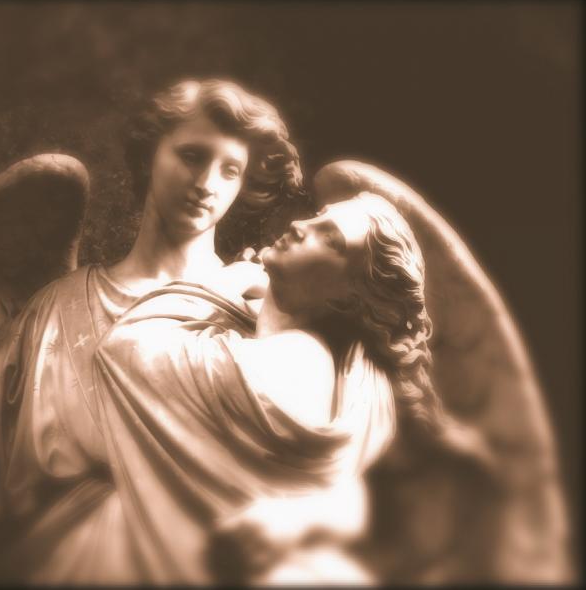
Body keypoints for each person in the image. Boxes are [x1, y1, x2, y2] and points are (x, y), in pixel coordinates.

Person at [0, 78, 302, 583]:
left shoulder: (252, 310)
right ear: (150, 156)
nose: (207, 182)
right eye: (192, 156)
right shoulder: (57, 307)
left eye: (230, 169)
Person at [92, 190, 485, 584]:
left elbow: (125, 345)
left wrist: (235, 277)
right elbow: (348, 496)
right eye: (317, 217)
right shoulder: (354, 379)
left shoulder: (294, 360)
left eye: (330, 239)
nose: (300, 226)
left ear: (346, 299)